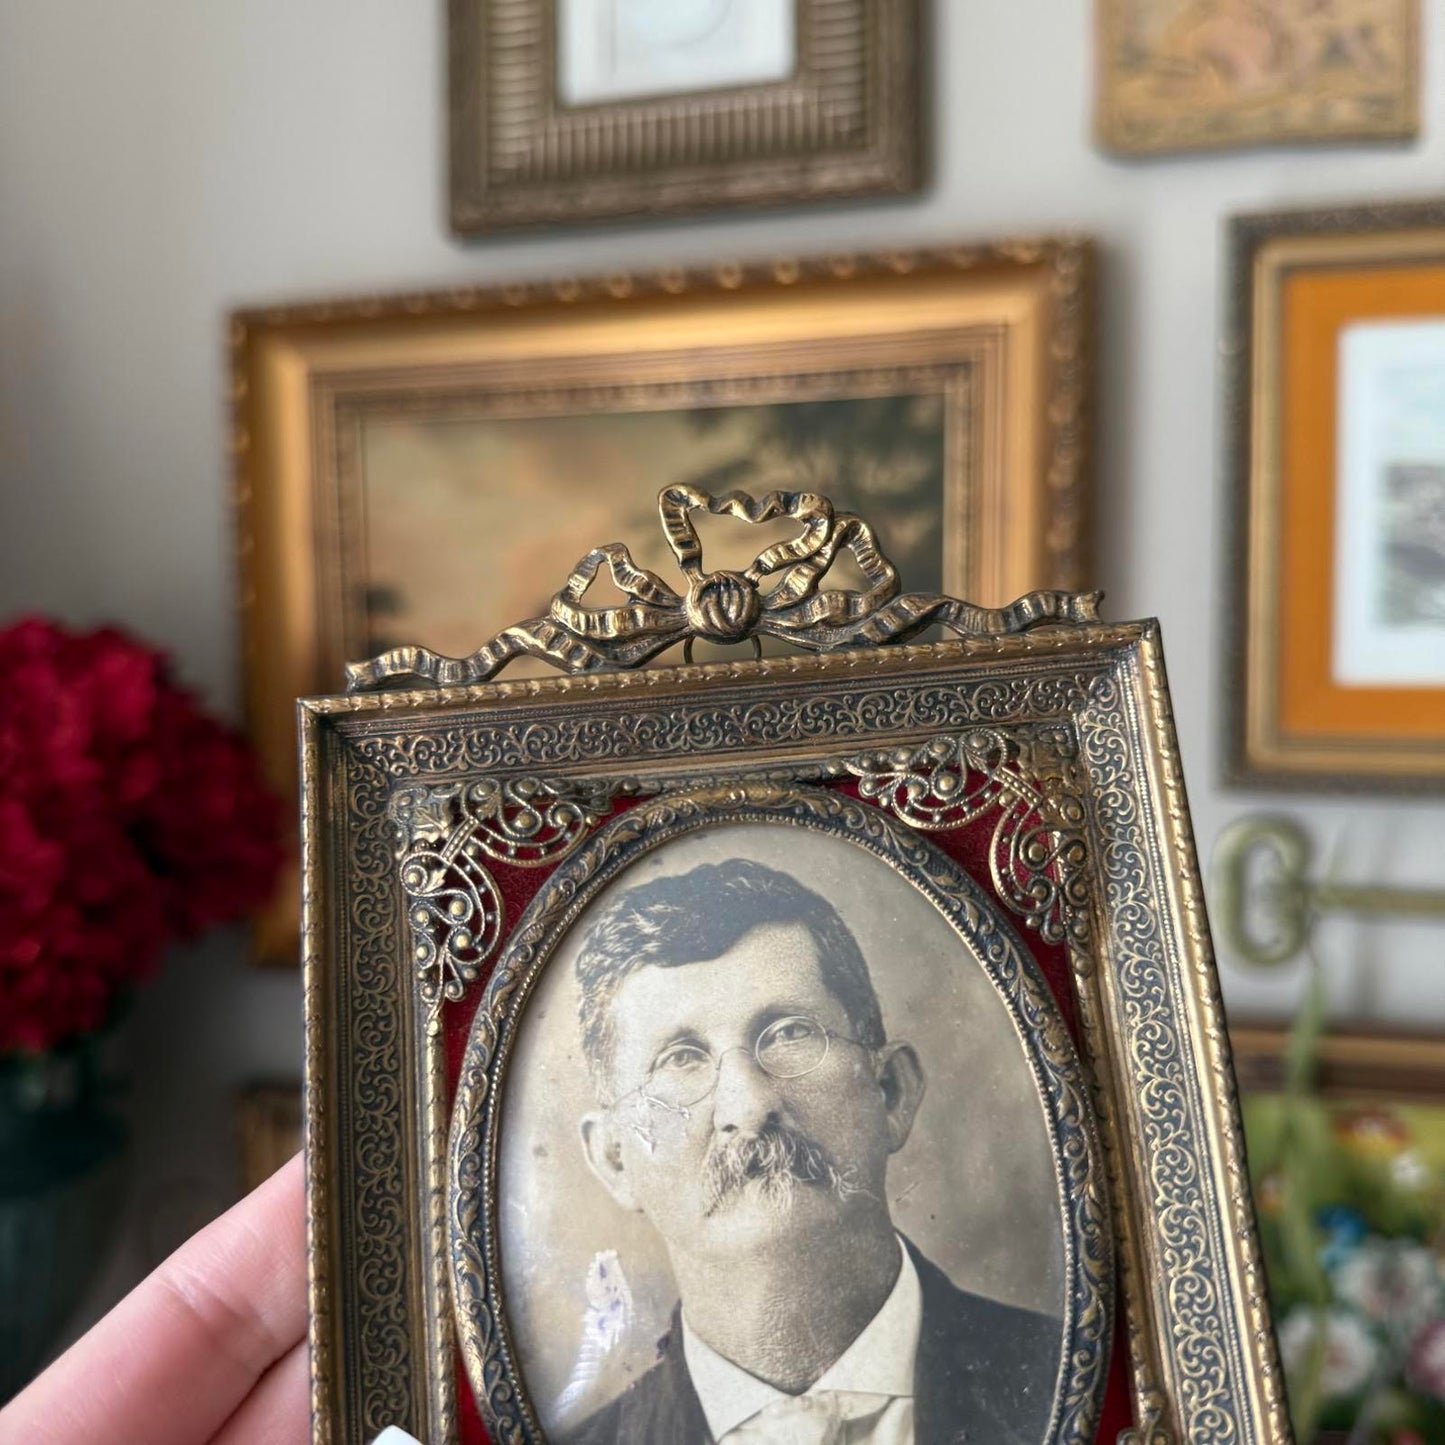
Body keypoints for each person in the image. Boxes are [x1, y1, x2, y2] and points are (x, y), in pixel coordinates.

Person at [565, 858, 1062, 1445]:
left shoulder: (1073, 1369)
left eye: (790, 1032)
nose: (748, 1107)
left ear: (890, 1093)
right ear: (616, 1159)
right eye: (680, 1058)